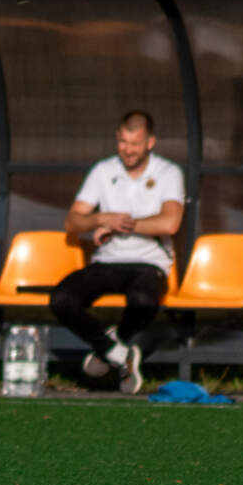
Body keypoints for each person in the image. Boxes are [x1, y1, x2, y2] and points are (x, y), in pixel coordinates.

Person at [49, 110, 184, 394]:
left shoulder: (169, 172)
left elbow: (170, 223)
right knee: (61, 298)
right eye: (123, 142)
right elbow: (72, 222)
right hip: (107, 261)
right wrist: (100, 218)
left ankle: (108, 348)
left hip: (149, 263)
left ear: (150, 142)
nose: (128, 150)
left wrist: (123, 225)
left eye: (135, 144)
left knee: (143, 301)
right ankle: (118, 353)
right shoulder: (103, 171)